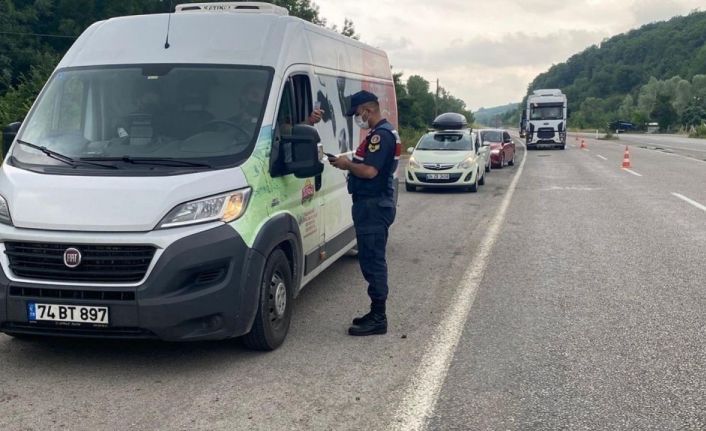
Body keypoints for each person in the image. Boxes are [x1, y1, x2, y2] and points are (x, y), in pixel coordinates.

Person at [329, 90, 401, 336]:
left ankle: (379, 318)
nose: (356, 118)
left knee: (373, 261)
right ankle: (375, 311)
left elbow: (370, 171)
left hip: (373, 205)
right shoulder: (379, 133)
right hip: (371, 204)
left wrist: (346, 165)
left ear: (367, 110)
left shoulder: (380, 135)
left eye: (357, 113)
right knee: (369, 259)